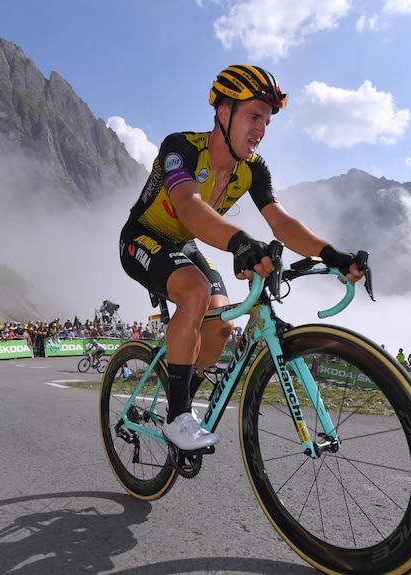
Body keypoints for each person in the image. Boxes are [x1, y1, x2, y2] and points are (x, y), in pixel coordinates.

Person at [118, 64, 365, 451]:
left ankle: (180, 397)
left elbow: (281, 222)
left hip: (183, 246)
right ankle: (178, 417)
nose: (260, 130)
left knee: (220, 324)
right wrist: (241, 242)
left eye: (266, 122)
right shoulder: (181, 148)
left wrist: (331, 253)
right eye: (253, 116)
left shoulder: (253, 170)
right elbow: (188, 206)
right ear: (223, 113)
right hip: (142, 237)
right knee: (197, 292)